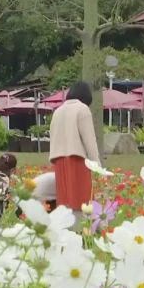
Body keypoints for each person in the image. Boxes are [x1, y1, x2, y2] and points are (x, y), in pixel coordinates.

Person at [49, 81, 100, 225]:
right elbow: (89, 139)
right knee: (82, 199)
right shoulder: (83, 109)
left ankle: (66, 229)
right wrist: (96, 163)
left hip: (59, 159)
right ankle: (84, 231)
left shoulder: (58, 111)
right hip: (77, 158)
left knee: (65, 201)